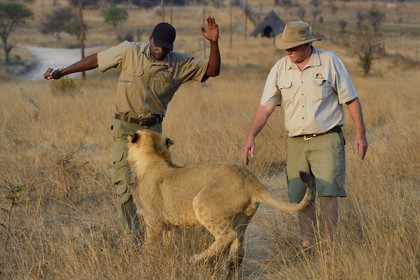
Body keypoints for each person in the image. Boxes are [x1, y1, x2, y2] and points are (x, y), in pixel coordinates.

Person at [44, 17, 221, 240]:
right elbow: (97, 60)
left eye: (166, 47)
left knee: (157, 183)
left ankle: (157, 232)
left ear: (172, 47)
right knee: (124, 183)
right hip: (126, 129)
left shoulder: (178, 63)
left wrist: (214, 44)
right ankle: (136, 236)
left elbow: (212, 71)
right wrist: (62, 72)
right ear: (150, 40)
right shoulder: (129, 51)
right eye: (157, 45)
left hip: (153, 132)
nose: (160, 50)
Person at [242, 21, 368, 250]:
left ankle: (329, 245)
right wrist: (251, 136)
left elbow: (350, 99)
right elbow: (266, 107)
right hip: (296, 141)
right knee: (301, 195)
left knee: (328, 193)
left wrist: (361, 134)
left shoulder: (330, 62)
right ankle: (307, 243)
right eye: (285, 47)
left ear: (307, 44)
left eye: (292, 47)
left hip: (327, 137)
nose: (287, 51)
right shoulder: (280, 68)